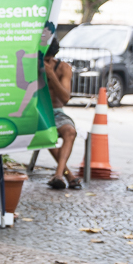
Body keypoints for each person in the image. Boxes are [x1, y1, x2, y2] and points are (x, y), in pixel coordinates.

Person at [43, 38, 80, 189]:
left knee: (70, 132)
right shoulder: (31, 66)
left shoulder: (63, 68)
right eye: (44, 59)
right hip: (39, 112)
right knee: (45, 133)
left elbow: (65, 98)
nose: (46, 61)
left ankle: (59, 175)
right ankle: (67, 175)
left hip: (57, 111)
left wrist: (51, 74)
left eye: (49, 59)